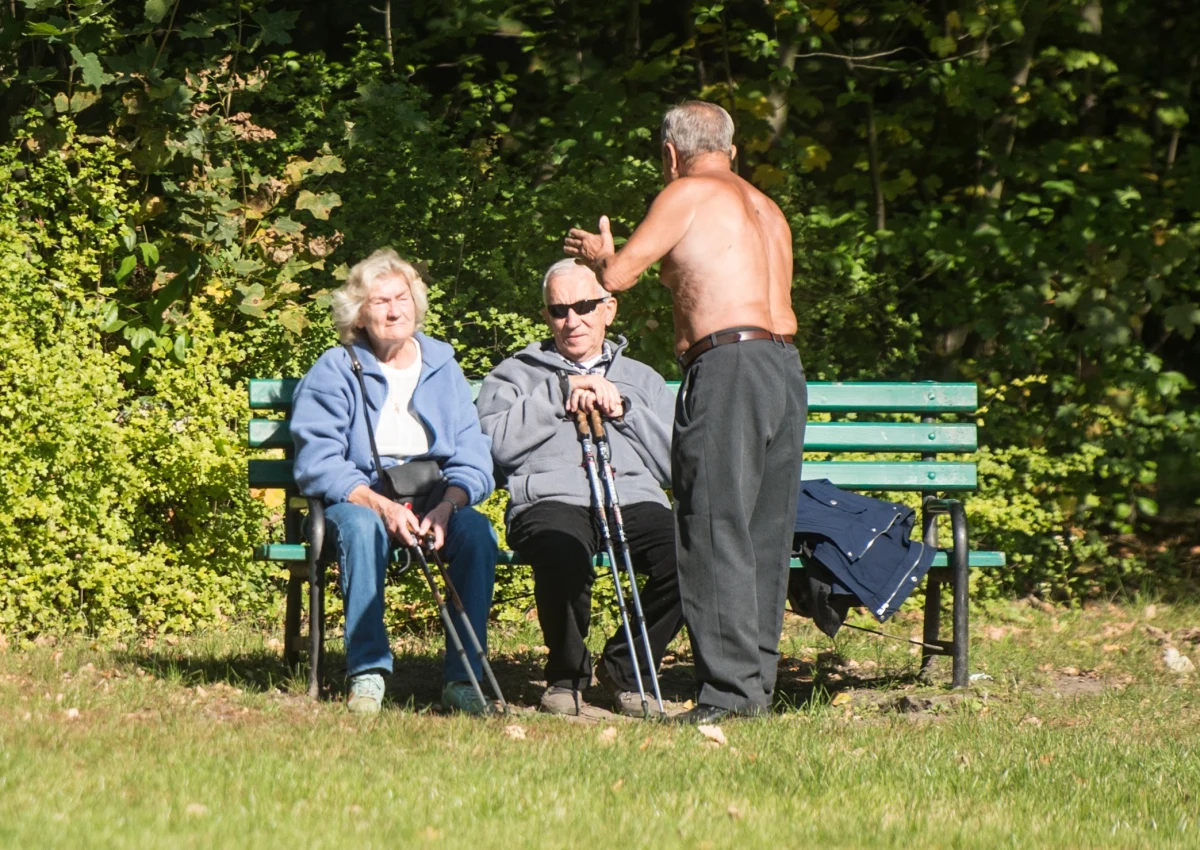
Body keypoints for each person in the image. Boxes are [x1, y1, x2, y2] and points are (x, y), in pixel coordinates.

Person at [564, 101, 806, 723]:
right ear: (733, 149)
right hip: (783, 368)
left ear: (671, 153)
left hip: (728, 368)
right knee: (762, 531)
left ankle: (725, 695)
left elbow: (618, 276)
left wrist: (599, 252)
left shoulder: (687, 192)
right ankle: (753, 692)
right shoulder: (767, 209)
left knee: (711, 523)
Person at [290, 248, 499, 716]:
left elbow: (472, 453)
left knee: (478, 535)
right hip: (360, 497)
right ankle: (368, 672)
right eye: (379, 301)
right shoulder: (336, 368)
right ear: (359, 315)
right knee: (363, 530)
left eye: (401, 298)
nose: (393, 309)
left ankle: (463, 680)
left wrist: (448, 506)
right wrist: (380, 507)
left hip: (433, 498)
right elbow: (318, 460)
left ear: (416, 303)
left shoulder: (443, 365)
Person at [476, 259, 683, 717]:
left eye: (585, 306)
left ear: (609, 308)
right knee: (560, 547)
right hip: (551, 497)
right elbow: (490, 448)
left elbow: (677, 465)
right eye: (559, 310)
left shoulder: (644, 378)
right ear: (546, 316)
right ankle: (565, 676)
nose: (572, 320)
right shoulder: (514, 374)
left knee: (693, 551)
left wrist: (623, 408)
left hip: (631, 497)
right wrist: (558, 393)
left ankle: (625, 669)